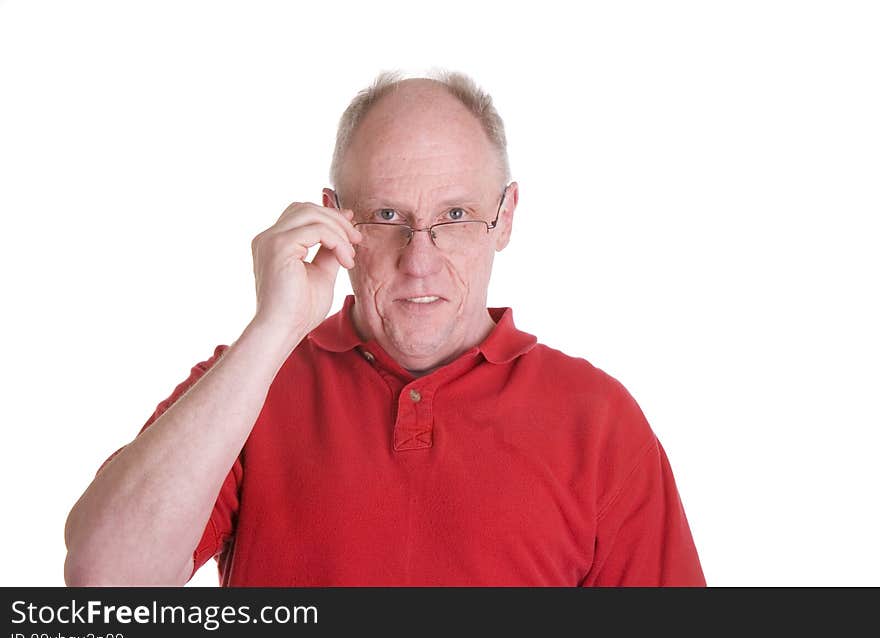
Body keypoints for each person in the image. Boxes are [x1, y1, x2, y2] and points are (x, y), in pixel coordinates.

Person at [64, 71, 706, 587]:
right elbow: (103, 589)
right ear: (334, 220)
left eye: (455, 214)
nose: (419, 259)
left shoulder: (599, 421)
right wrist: (273, 330)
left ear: (505, 217)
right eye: (386, 214)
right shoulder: (249, 385)